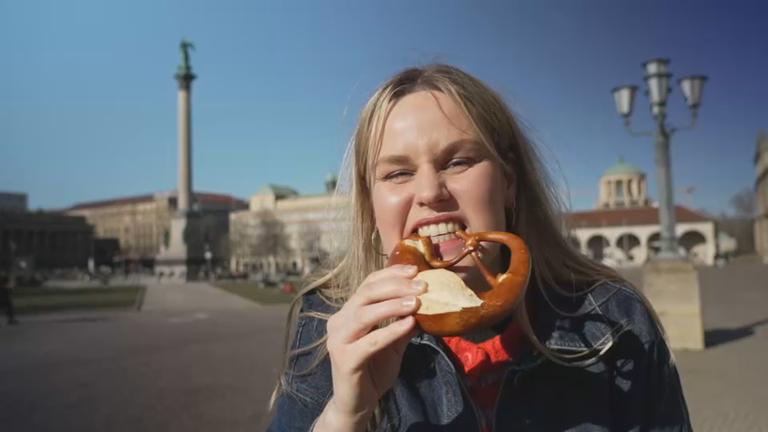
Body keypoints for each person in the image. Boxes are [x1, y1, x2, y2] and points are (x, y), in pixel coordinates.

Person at [267, 64, 691, 431]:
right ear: (371, 202)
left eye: (458, 162)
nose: (430, 191)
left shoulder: (613, 320)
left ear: (508, 182)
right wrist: (343, 415)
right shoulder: (329, 323)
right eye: (398, 173)